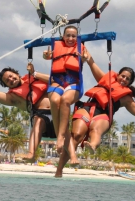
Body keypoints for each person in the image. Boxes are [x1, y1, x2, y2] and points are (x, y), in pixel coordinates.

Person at [55, 49, 135, 177]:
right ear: (117, 75)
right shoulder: (106, 79)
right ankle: (59, 171)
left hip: (103, 115)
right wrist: (84, 52)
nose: (124, 79)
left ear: (129, 83)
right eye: (123, 76)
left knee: (95, 131)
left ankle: (92, 146)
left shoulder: (126, 98)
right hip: (88, 108)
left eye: (127, 79)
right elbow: (91, 62)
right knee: (75, 135)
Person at [0, 60, 56, 160]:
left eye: (11, 76)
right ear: (7, 86)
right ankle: (31, 153)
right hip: (42, 117)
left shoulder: (34, 77)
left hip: (57, 112)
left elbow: (54, 80)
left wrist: (34, 73)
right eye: (7, 81)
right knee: (38, 121)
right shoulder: (13, 97)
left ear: (17, 74)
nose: (11, 79)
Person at [43, 25, 86, 164]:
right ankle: (61, 137)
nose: (71, 38)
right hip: (57, 81)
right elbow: (47, 56)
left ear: (77, 37)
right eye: (68, 35)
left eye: (74, 36)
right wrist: (46, 56)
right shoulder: (55, 47)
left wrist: (84, 59)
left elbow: (88, 60)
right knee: (55, 101)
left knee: (65, 101)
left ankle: (60, 136)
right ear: (63, 36)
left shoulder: (81, 48)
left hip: (74, 82)